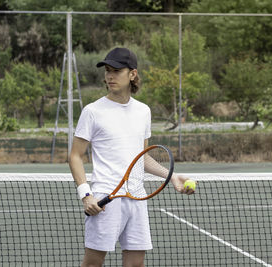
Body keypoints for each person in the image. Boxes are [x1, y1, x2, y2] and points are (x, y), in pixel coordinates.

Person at [69, 47, 195, 267]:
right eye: (107, 70)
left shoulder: (143, 111)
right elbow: (75, 156)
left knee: (136, 264)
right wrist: (86, 195)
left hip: (137, 198)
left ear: (132, 74)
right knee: (92, 264)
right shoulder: (92, 111)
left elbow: (142, 158)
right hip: (105, 199)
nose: (110, 76)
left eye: (116, 70)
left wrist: (171, 176)